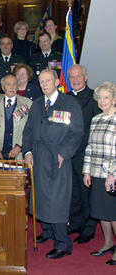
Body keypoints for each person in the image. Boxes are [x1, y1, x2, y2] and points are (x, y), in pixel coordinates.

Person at [22, 69, 84, 259]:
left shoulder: (69, 103)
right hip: (39, 158)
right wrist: (28, 152)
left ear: (57, 81)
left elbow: (77, 133)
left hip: (58, 158)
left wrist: (64, 153)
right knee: (40, 197)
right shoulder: (38, 104)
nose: (44, 84)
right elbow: (28, 131)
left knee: (57, 201)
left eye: (48, 80)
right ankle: (47, 232)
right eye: (41, 81)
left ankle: (63, 243)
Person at [83, 81, 116, 266]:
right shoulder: (96, 119)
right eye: (100, 98)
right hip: (96, 173)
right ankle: (108, 243)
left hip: (112, 175)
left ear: (114, 99)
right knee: (101, 212)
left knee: (112, 213)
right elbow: (90, 148)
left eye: (106, 97)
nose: (102, 101)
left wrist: (113, 173)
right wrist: (86, 171)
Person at [67, 64, 100, 243]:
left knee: (87, 192)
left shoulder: (94, 98)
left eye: (78, 76)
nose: (75, 80)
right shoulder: (65, 98)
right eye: (72, 77)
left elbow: (94, 128)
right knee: (73, 191)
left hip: (85, 154)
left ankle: (88, 228)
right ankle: (76, 223)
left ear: (85, 77)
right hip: (67, 154)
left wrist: (78, 146)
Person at [0, 74, 32, 160]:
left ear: (17, 87)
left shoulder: (27, 104)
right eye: (8, 84)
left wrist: (18, 147)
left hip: (18, 154)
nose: (11, 87)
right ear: (3, 87)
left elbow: (29, 129)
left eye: (14, 84)